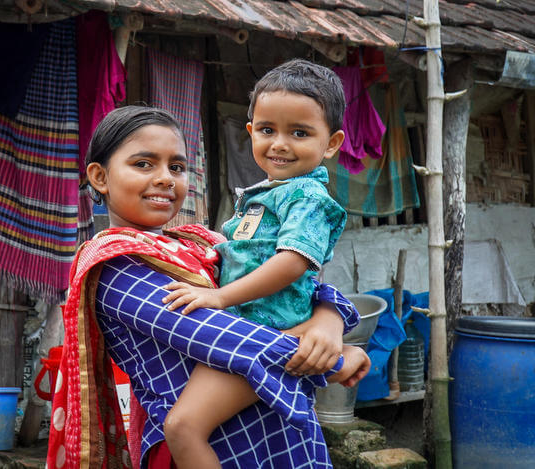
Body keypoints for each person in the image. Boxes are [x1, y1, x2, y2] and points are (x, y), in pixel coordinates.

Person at [45, 105, 369, 469]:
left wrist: (329, 320)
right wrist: (333, 359)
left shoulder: (199, 244)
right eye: (143, 164)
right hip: (218, 450)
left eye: (177, 167)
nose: (166, 178)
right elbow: (227, 339)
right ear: (100, 177)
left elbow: (292, 283)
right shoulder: (118, 269)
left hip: (277, 439)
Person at [160, 59, 351, 468]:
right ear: (251, 132)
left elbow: (293, 262)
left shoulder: (308, 198)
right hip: (247, 330)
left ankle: (342, 357)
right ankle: (345, 358)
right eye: (267, 130)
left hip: (267, 333)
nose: (279, 143)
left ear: (332, 143)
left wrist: (219, 296)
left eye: (299, 133)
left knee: (182, 427)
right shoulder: (265, 194)